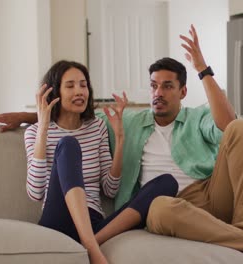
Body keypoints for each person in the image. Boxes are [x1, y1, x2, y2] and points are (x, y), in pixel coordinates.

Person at [0, 25, 243, 262]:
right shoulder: (116, 121)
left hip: (190, 199)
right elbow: (41, 179)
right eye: (154, 86)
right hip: (117, 214)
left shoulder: (183, 118)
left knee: (236, 133)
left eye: (167, 86)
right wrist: (29, 118)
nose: (158, 93)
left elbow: (227, 124)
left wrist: (202, 69)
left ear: (182, 91)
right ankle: (92, 246)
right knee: (147, 189)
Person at [21, 60, 178, 264]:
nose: (79, 91)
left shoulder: (97, 128)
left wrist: (120, 140)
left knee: (167, 182)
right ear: (55, 93)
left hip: (94, 221)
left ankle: (89, 242)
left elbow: (110, 190)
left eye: (83, 85)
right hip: (57, 220)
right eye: (70, 86)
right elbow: (35, 192)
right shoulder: (34, 132)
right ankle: (93, 248)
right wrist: (42, 126)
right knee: (68, 144)